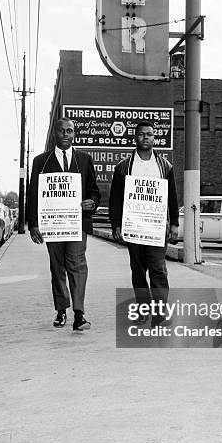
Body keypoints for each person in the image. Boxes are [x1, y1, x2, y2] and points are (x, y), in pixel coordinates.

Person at [28, 118, 100, 331]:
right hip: (53, 225)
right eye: (62, 131)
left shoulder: (85, 160)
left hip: (77, 224)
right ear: (55, 134)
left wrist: (92, 202)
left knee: (77, 265)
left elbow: (94, 191)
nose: (66, 134)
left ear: (74, 134)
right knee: (57, 267)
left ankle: (79, 314)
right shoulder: (41, 162)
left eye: (70, 131)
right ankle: (61, 310)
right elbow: (33, 194)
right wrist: (33, 224)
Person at [109, 121, 179, 325]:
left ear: (154, 137)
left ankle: (159, 314)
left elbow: (171, 197)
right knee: (138, 271)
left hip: (157, 228)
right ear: (135, 137)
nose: (145, 137)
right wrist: (116, 225)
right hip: (133, 227)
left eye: (149, 134)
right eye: (141, 134)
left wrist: (174, 223)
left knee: (158, 269)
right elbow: (115, 199)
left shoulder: (164, 166)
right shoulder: (124, 167)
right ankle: (142, 310)